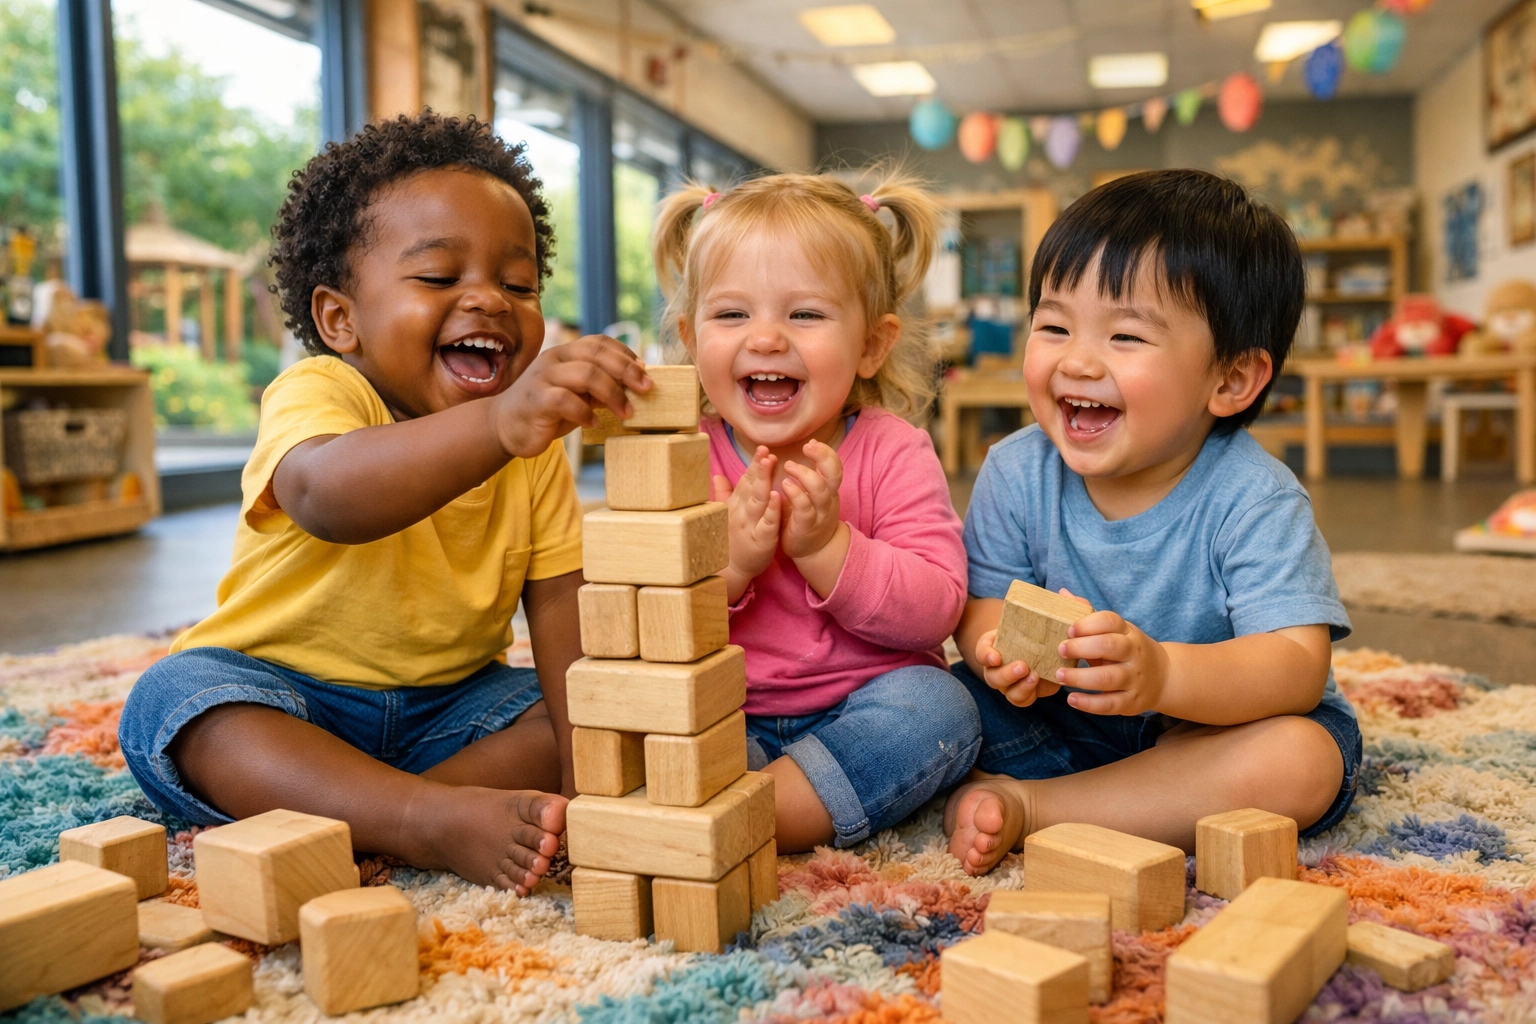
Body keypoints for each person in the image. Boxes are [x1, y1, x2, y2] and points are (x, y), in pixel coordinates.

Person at [119, 112, 652, 894]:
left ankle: (378, 807)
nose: (491, 303)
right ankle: (420, 820)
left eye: (518, 284)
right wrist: (500, 423)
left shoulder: (532, 450)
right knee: (177, 705)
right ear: (340, 319)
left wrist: (592, 780)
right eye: (439, 278)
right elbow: (326, 495)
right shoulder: (320, 391)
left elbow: (562, 616)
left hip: (450, 716)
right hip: (288, 700)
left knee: (592, 705)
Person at [945, 169, 1362, 876]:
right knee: (928, 700)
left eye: (1126, 337)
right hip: (1061, 726)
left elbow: (1295, 664)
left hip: (1211, 736)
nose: (1076, 359)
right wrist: (999, 653)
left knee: (1300, 761)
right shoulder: (1016, 469)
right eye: (1053, 325)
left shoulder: (1255, 497)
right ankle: (1097, 797)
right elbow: (980, 603)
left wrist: (1164, 673)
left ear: (1229, 381)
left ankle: (1037, 809)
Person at [650, 172, 981, 852]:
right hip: (729, 713)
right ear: (690, 335)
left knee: (944, 708)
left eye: (804, 315)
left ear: (872, 344)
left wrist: (827, 547)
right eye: (732, 315)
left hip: (864, 706)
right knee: (643, 707)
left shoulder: (894, 450)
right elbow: (654, 625)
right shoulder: (682, 456)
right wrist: (734, 566)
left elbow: (938, 609)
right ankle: (753, 800)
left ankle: (758, 820)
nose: (766, 339)